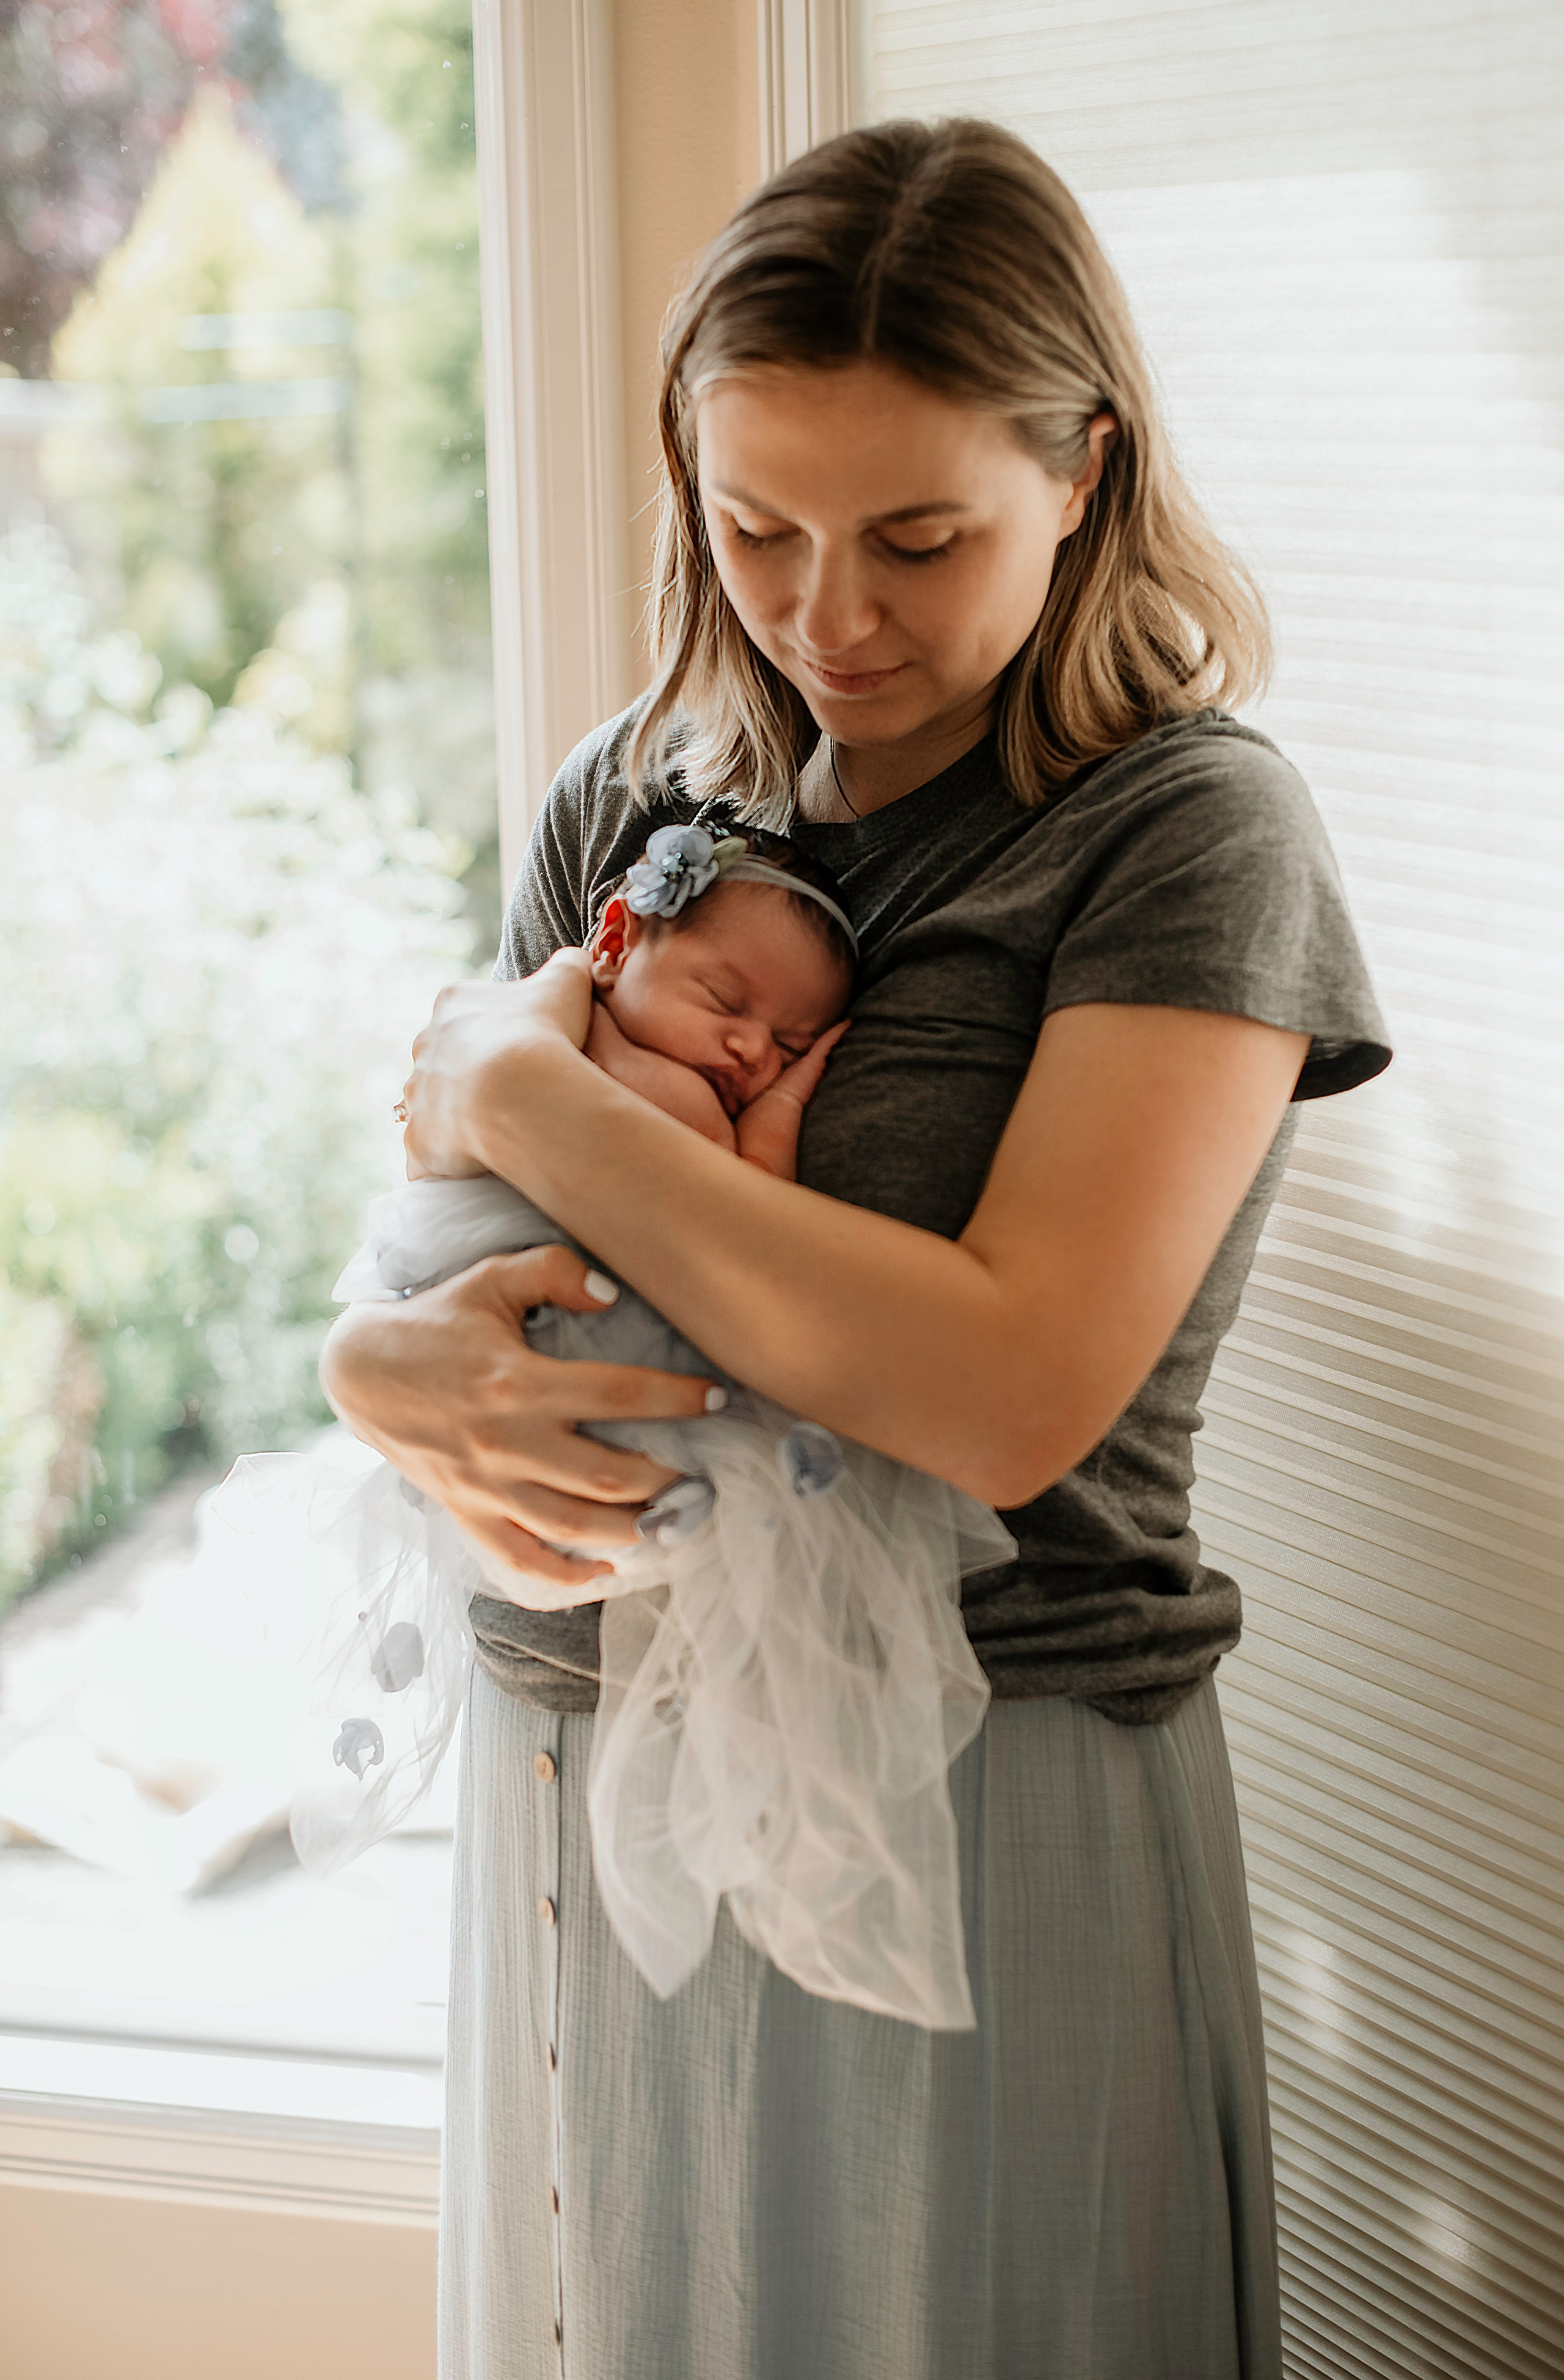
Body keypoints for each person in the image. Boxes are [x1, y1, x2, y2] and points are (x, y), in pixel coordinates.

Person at [324, 117, 1392, 2380]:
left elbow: (1005, 1388)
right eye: (755, 526)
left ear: (1083, 472)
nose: (827, 616)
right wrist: (370, 1371)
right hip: (583, 1746)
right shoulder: (630, 793)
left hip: (994, 1792)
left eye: (920, 536)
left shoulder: (1187, 832)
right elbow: (450, 1267)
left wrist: (512, 1079)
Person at [249, 822, 1004, 2028]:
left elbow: (758, 1206)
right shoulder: (556, 1033)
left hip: (644, 1377)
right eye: (725, 1001)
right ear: (611, 940)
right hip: (489, 1319)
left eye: (792, 1041)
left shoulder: (653, 1081)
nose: (750, 1048)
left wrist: (790, 1100)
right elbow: (435, 1145)